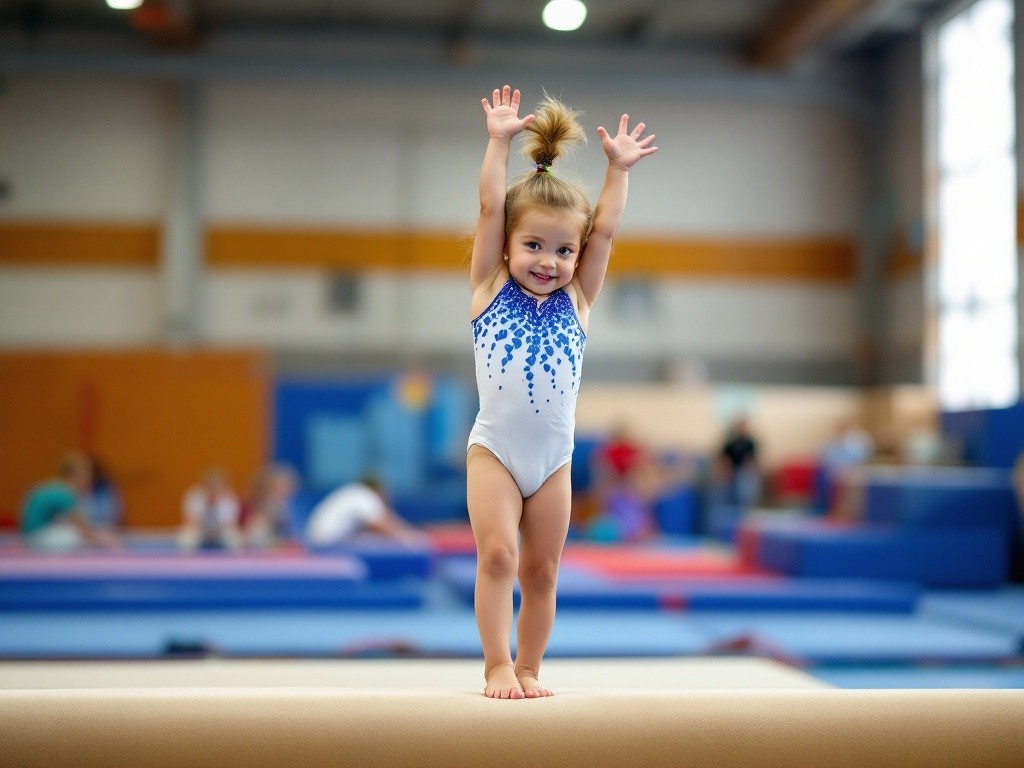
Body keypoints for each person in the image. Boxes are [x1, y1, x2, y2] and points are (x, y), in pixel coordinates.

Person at [467, 85, 657, 698]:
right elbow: (489, 207)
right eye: (533, 245)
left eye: (564, 250)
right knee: (498, 556)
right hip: (495, 452)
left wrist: (618, 172)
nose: (549, 261)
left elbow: (606, 232)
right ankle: (497, 665)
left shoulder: (579, 298)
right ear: (507, 245)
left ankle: (529, 668)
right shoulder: (490, 285)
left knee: (543, 571)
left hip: (554, 462)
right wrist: (498, 143)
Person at [20, 452, 120, 551]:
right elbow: (82, 527)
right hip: (35, 537)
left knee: (74, 532)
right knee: (76, 536)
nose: (89, 481)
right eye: (87, 476)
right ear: (77, 475)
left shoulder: (54, 487)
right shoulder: (64, 492)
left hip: (32, 534)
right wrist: (104, 539)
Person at [305, 477, 423, 547]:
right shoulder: (366, 496)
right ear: (379, 490)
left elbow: (387, 522)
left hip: (318, 543)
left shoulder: (353, 493)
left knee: (371, 538)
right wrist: (414, 539)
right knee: (378, 543)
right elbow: (384, 527)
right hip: (325, 547)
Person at [178, 468, 242, 551]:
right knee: (186, 538)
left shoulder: (230, 498)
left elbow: (230, 524)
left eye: (217, 486)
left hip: (221, 533)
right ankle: (188, 559)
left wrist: (217, 532)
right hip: (200, 531)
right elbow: (189, 521)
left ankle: (232, 559)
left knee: (236, 539)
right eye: (210, 486)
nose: (213, 489)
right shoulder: (193, 496)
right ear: (204, 485)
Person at [242, 463, 299, 549]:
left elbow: (289, 531)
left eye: (289, 487)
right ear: (272, 487)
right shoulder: (267, 505)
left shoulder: (284, 504)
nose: (287, 491)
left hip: (276, 539)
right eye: (283, 486)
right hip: (263, 540)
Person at [713, 415, 761, 508]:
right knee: (722, 485)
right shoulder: (730, 443)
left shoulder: (750, 443)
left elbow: (752, 460)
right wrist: (725, 472)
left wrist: (750, 471)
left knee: (745, 481)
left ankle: (745, 507)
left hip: (744, 472)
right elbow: (724, 459)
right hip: (732, 471)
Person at [80, 455, 123, 532]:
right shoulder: (71, 492)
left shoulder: (107, 489)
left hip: (106, 529)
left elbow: (115, 515)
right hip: (84, 531)